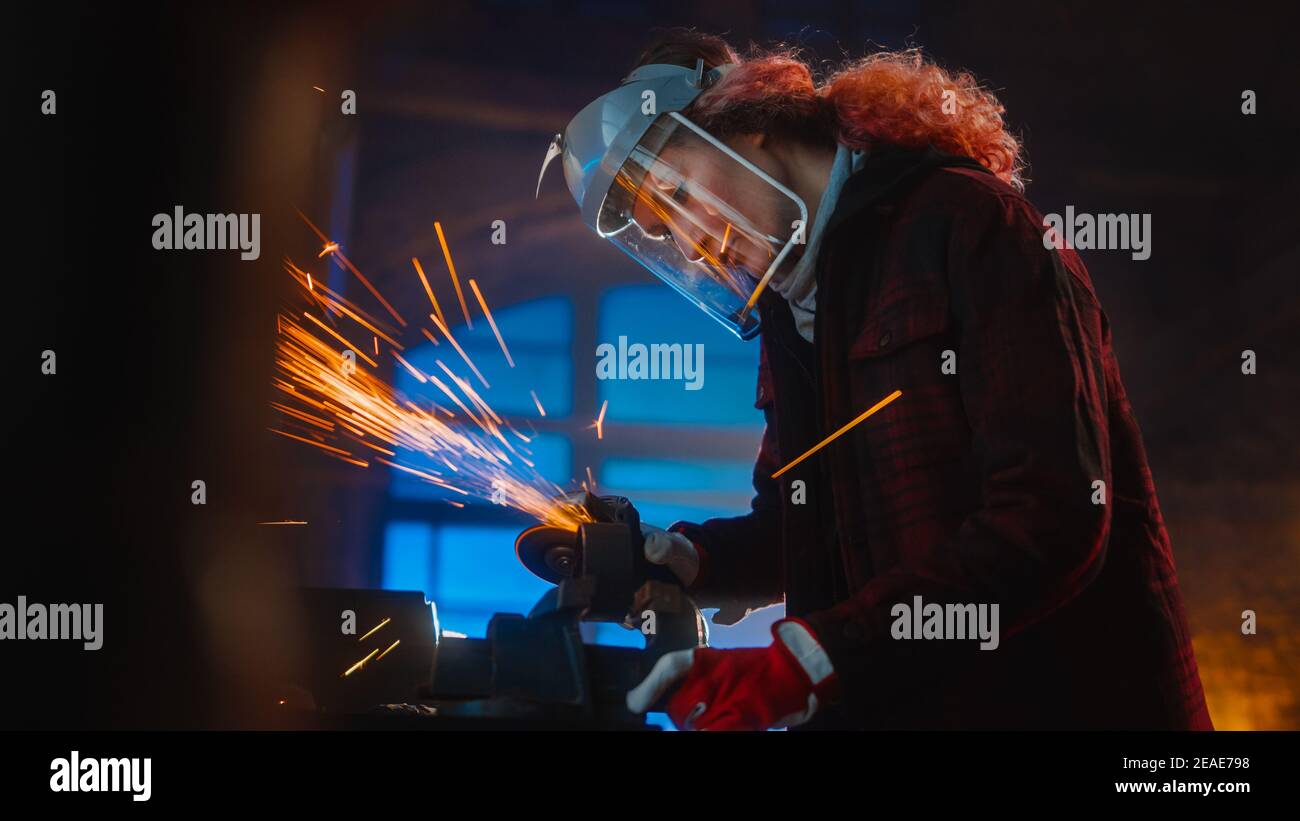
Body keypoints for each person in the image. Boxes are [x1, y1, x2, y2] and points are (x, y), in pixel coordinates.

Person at [537, 29, 1213, 731]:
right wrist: (685, 560)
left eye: (677, 193)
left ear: (752, 123)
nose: (692, 245)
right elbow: (801, 527)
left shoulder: (972, 224)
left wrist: (815, 658)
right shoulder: (795, 307)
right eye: (661, 232)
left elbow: (1049, 515)